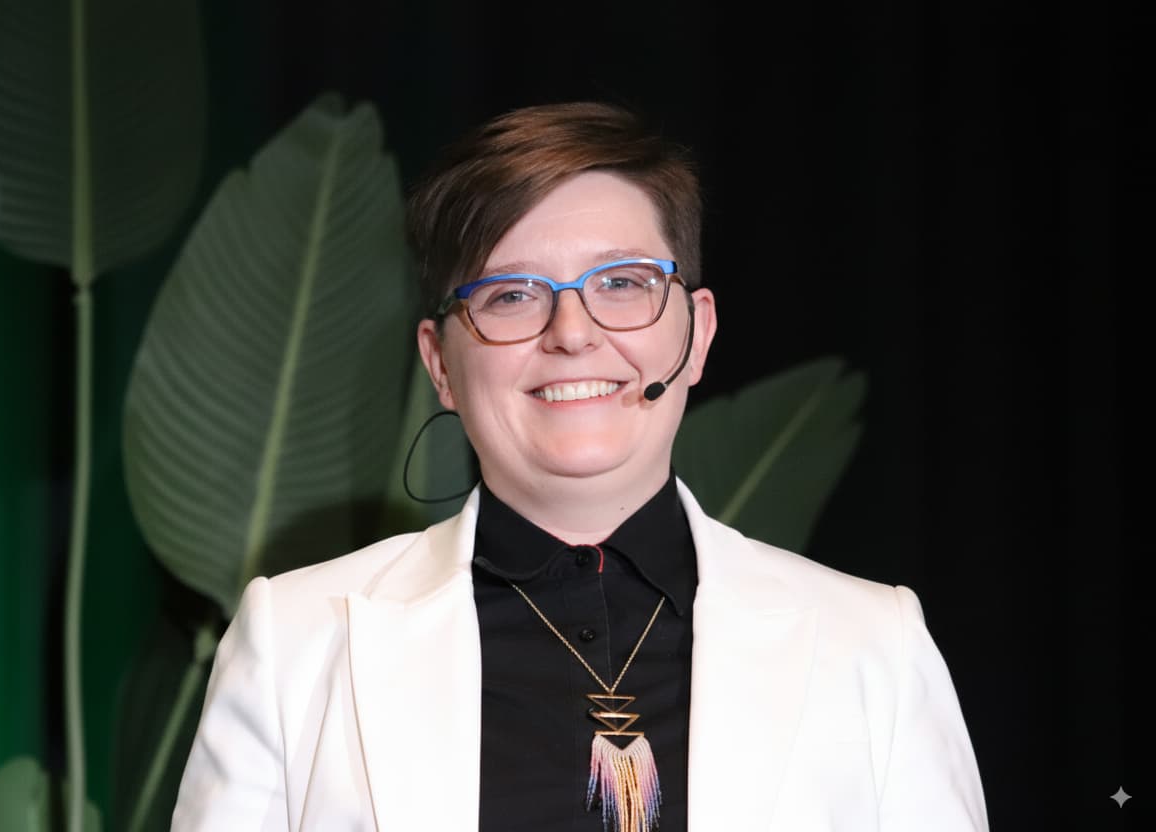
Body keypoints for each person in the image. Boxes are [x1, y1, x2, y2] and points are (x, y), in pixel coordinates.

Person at [171, 101, 988, 831]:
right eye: (512, 295)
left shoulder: (870, 643)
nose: (572, 332)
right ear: (441, 363)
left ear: (696, 335)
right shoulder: (300, 639)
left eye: (623, 283)